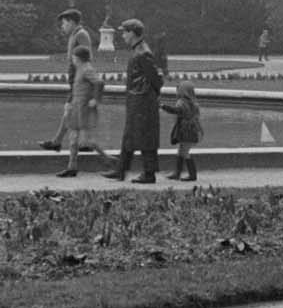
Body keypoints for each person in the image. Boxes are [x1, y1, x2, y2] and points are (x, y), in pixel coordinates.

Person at [102, 17, 163, 184]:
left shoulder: (143, 53)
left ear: (132, 33)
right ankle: (121, 170)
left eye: (124, 32)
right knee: (130, 136)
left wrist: (149, 96)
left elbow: (157, 79)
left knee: (144, 138)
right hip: (138, 101)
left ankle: (148, 174)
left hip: (143, 103)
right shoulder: (139, 50)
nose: (122, 36)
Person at [44, 42, 110, 176]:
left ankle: (108, 159)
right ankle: (72, 167)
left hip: (83, 109)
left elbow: (99, 83)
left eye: (73, 58)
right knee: (73, 137)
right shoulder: (80, 69)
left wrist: (95, 100)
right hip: (76, 107)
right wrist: (70, 102)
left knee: (86, 141)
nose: (72, 60)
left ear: (78, 58)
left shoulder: (87, 69)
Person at [160, 80, 203, 181]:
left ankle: (192, 175)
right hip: (192, 131)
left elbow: (176, 110)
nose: (176, 92)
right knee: (181, 151)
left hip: (186, 131)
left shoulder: (182, 102)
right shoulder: (194, 103)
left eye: (178, 90)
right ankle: (177, 173)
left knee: (184, 152)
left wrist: (163, 106)